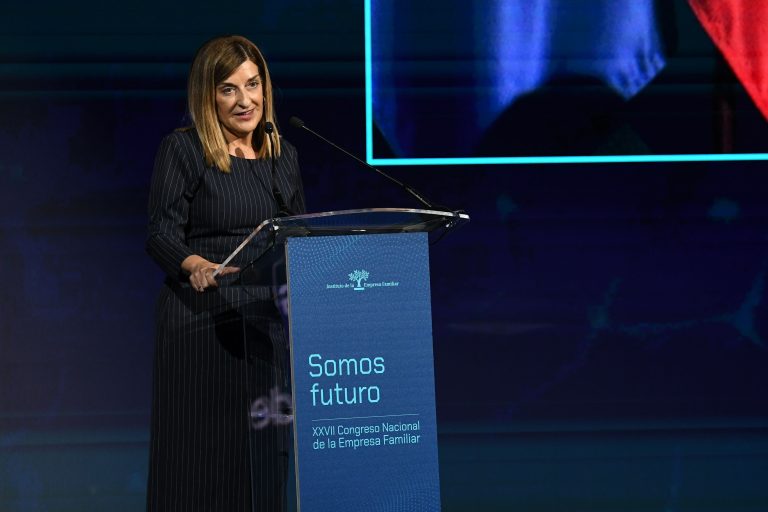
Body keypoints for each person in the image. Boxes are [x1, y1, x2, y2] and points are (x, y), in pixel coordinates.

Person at [145, 35, 305, 512]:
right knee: (201, 461)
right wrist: (196, 264)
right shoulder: (184, 150)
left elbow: (299, 239)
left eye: (253, 85)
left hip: (264, 324)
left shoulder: (284, 157)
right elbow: (160, 234)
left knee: (263, 464)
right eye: (229, 89)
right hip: (202, 322)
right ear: (208, 95)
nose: (245, 100)